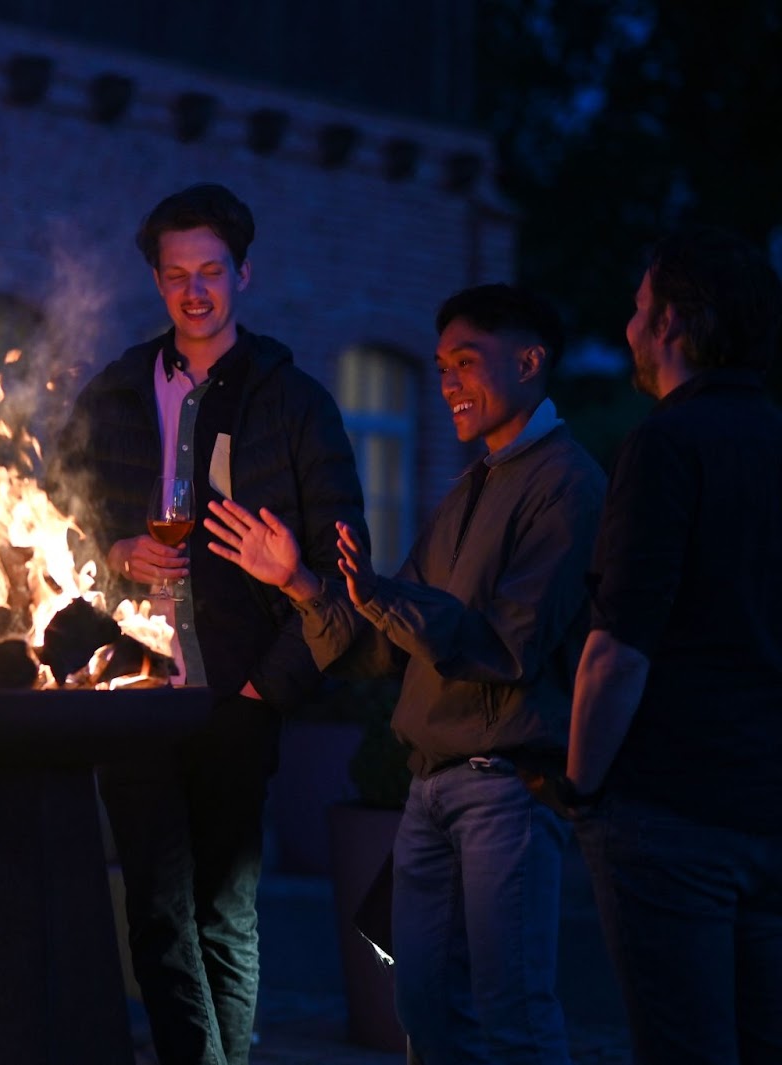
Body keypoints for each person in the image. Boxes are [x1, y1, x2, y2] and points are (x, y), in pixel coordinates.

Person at [205, 283, 604, 1063]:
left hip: (506, 791)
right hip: (429, 787)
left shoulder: (567, 483)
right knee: (423, 1006)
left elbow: (506, 646)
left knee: (513, 1011)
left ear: (530, 361)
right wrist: (299, 582)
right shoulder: (468, 491)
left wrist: (381, 594)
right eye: (440, 364)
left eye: (466, 361)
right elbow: (382, 650)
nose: (447, 381)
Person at [52, 183, 366, 1063]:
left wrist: (272, 684)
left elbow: (346, 562)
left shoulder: (294, 402)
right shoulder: (114, 393)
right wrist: (115, 553)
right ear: (156, 281)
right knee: (156, 913)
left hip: (240, 688)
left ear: (243, 274)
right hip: (135, 690)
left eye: (212, 272)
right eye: (177, 274)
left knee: (224, 914)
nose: (196, 291)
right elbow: (53, 522)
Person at [559, 229, 782, 1065]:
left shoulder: (665, 445)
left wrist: (581, 788)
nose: (627, 329)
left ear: (675, 325)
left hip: (673, 812)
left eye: (639, 310)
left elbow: (618, 648)